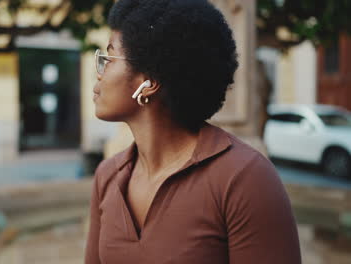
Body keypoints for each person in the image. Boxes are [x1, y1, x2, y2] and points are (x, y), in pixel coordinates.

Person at [85, 0, 302, 263]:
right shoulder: (107, 176)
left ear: (149, 81)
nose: (99, 75)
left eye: (108, 58)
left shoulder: (245, 179)